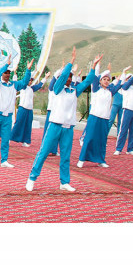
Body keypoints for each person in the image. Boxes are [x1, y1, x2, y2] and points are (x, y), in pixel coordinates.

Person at [26, 49, 100, 192]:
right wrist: (71, 62)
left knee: (65, 156)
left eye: (71, 77)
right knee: (43, 152)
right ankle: (32, 178)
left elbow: (88, 81)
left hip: (68, 128)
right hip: (55, 126)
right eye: (67, 77)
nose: (69, 79)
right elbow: (63, 76)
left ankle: (64, 182)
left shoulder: (74, 91)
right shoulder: (57, 89)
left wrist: (93, 67)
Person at [77, 63, 124, 168]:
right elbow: (95, 76)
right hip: (94, 117)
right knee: (89, 138)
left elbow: (119, 85)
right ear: (100, 80)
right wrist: (96, 64)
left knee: (102, 140)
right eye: (104, 79)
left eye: (108, 80)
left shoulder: (110, 91)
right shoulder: (95, 89)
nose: (106, 81)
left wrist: (122, 76)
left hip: (104, 119)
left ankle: (100, 160)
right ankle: (82, 159)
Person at [10, 71, 49, 147]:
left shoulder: (32, 88)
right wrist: (15, 74)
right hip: (22, 108)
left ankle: (25, 141)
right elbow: (15, 82)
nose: (30, 82)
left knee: (28, 125)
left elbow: (39, 85)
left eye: (31, 81)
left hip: (29, 110)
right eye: (29, 80)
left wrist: (45, 77)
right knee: (18, 123)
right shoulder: (23, 87)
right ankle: (10, 138)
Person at [114, 62, 133, 156]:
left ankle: (130, 149)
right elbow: (131, 80)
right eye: (129, 78)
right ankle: (118, 149)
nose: (132, 80)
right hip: (126, 111)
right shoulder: (124, 87)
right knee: (123, 130)